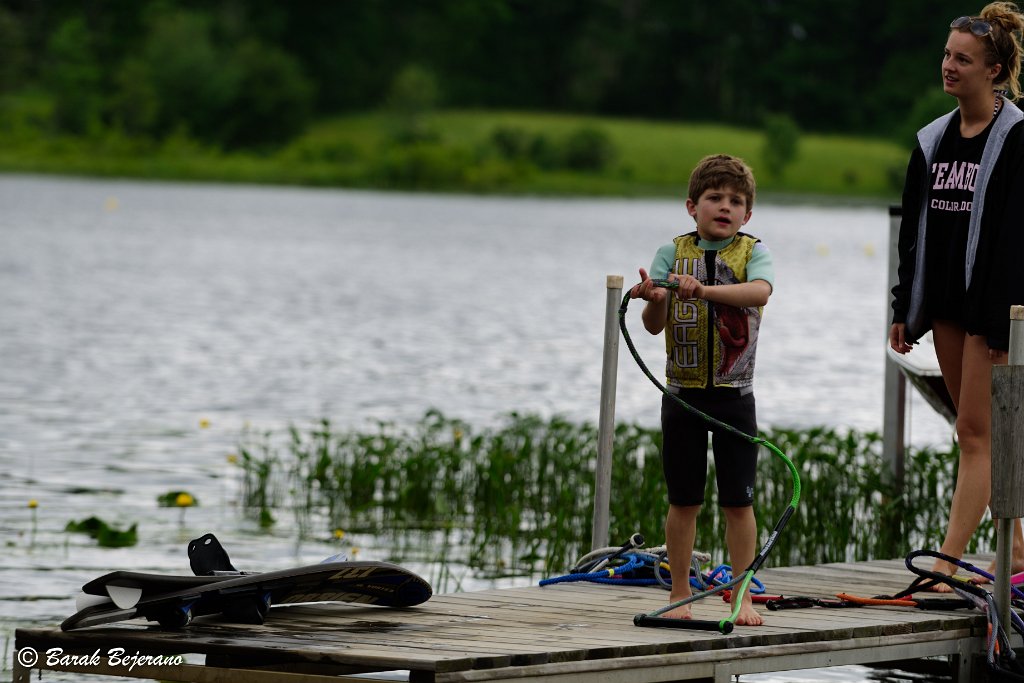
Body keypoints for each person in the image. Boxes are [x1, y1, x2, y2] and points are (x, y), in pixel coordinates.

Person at [890, 2, 1024, 590]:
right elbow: (913, 232)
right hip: (943, 305)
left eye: (963, 60)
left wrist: (999, 324)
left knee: (974, 434)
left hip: (991, 311)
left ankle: (946, 564)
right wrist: (904, 307)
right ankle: (1015, 549)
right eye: (947, 55)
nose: (949, 66)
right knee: (975, 434)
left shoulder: (1017, 137)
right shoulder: (932, 140)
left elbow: (1017, 239)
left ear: (993, 71)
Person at [630, 154, 773, 625]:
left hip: (735, 397)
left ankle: (741, 596)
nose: (725, 206)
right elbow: (653, 325)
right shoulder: (670, 254)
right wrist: (657, 298)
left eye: (735, 201)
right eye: (714, 198)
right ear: (692, 206)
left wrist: (703, 292)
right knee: (684, 501)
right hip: (682, 396)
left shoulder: (753, 252)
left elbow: (759, 292)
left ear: (747, 214)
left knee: (739, 503)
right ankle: (679, 593)